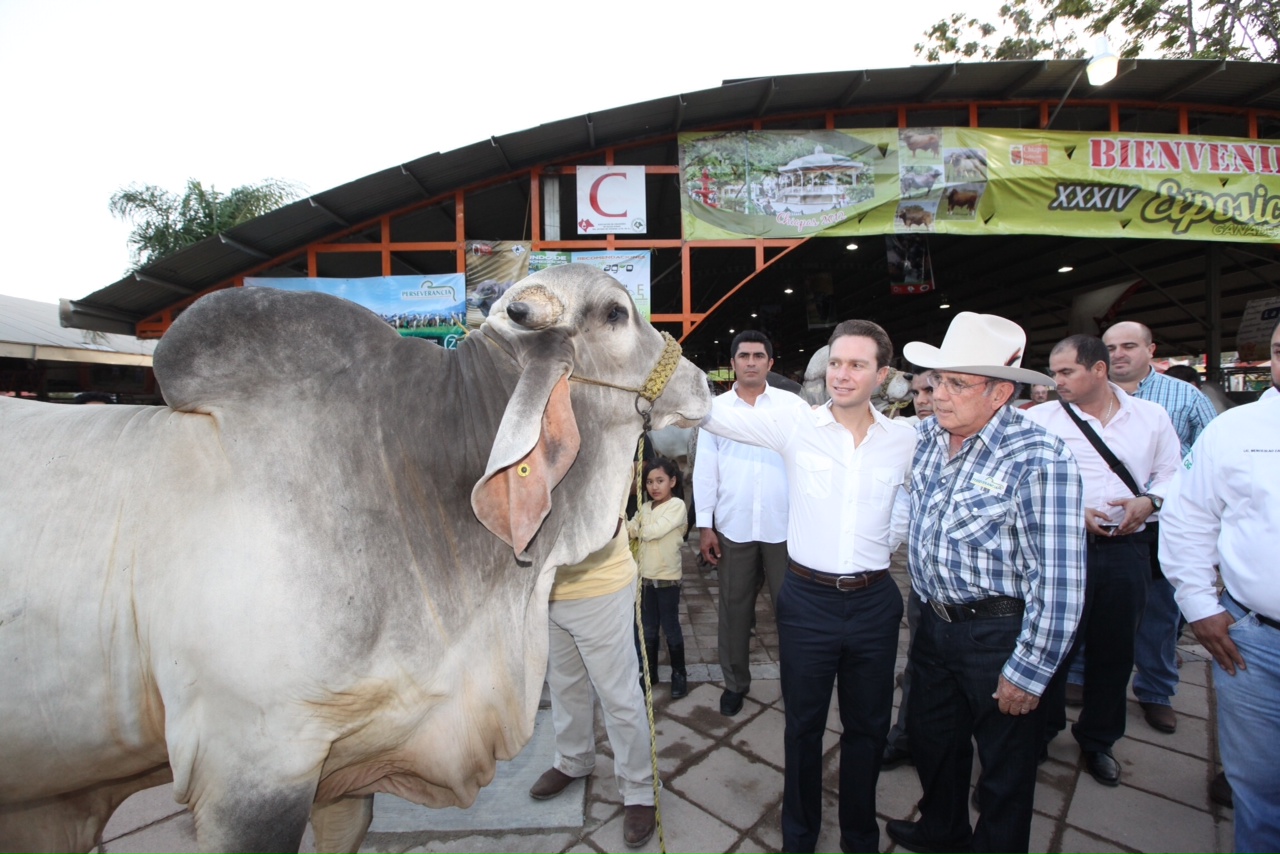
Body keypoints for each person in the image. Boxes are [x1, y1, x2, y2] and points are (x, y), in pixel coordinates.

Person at [701, 319, 915, 854]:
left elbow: (909, 500)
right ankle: (800, 834)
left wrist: (884, 540)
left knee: (868, 728)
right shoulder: (796, 424)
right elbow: (709, 416)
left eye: (857, 364)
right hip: (808, 601)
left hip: (874, 602)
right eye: (836, 362)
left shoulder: (905, 440)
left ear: (881, 375)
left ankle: (860, 835)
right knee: (802, 727)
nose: (842, 374)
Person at [887, 312, 1085, 854]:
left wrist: (1030, 671)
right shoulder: (928, 438)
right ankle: (941, 829)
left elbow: (1060, 580)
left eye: (956, 383)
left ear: (1000, 392)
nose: (937, 395)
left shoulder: (1039, 457)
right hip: (932, 623)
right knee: (934, 741)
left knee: (1004, 767)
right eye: (936, 381)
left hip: (998, 635)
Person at [1024, 335, 1181, 788]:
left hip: (1126, 550)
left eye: (1066, 372)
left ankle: (1098, 739)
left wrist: (1150, 501)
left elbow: (1173, 472)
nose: (1056, 381)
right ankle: (1039, 732)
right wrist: (1073, 514)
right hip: (1061, 550)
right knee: (1051, 646)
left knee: (1115, 650)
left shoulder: (1150, 417)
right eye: (1054, 372)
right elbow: (1023, 481)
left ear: (1098, 369)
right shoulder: (1041, 419)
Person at [1159, 329, 1280, 853]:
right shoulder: (1235, 430)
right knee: (1259, 789)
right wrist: (1199, 605)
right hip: (1256, 643)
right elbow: (1188, 518)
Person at [1101, 320, 1219, 735]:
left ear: (1151, 350)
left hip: (1163, 525)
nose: (1118, 354)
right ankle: (1080, 676)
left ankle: (1155, 690)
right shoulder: (1088, 397)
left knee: (1160, 612)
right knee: (1090, 605)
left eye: (1129, 346)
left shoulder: (1185, 397)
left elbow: (1212, 456)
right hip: (1099, 527)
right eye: (1110, 347)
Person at [528, 521, 657, 848]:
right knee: (564, 687)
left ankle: (640, 789)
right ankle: (574, 760)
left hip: (601, 587)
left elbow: (605, 523)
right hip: (546, 589)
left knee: (619, 696)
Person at [694, 331, 789, 717]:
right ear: (732, 363)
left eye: (758, 355)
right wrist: (705, 526)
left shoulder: (791, 407)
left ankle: (797, 682)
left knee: (791, 611)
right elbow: (705, 471)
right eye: (744, 356)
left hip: (784, 528)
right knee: (734, 609)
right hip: (733, 527)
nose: (751, 362)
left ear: (770, 363)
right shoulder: (714, 411)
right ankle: (735, 683)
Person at [882, 369, 934, 769]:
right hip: (926, 584)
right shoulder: (909, 436)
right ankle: (908, 738)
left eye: (932, 389)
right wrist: (882, 549)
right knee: (922, 661)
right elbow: (900, 500)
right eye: (917, 392)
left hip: (993, 601)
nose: (924, 399)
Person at [628, 456, 690, 699]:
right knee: (648, 628)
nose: (654, 487)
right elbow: (630, 527)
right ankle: (650, 672)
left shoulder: (677, 506)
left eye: (660, 481)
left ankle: (679, 674)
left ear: (672, 482)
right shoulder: (644, 507)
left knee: (671, 627)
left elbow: (652, 531)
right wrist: (634, 529)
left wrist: (636, 530)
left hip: (667, 579)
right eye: (649, 482)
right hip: (645, 579)